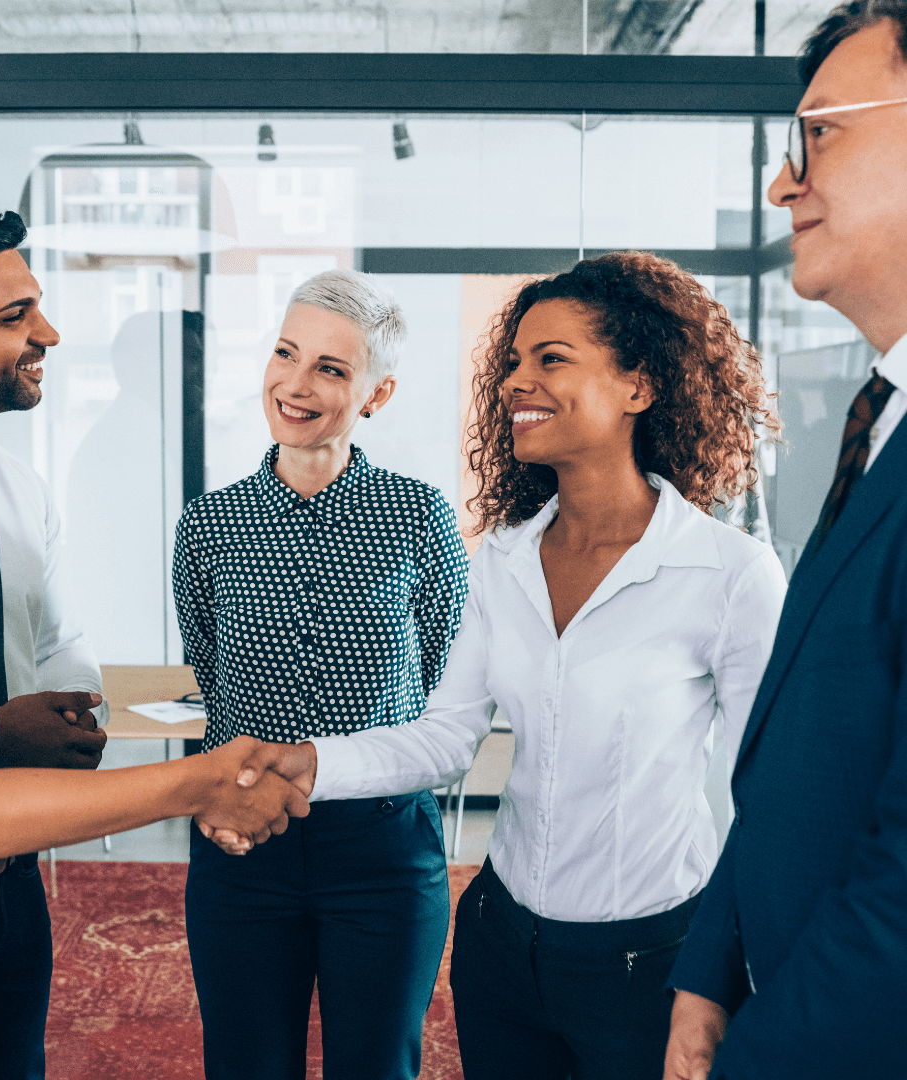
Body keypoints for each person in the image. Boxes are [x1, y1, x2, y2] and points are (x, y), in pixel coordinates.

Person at [234, 252, 787, 1080]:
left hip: (648, 963)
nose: (514, 382)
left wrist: (718, 980)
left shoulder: (730, 574)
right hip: (499, 945)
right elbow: (444, 739)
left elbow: (771, 802)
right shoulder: (503, 559)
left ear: (638, 385)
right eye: (514, 362)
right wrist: (307, 760)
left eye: (550, 359)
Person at [0, 132, 307, 1080]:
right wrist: (2, 733)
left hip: (11, 891)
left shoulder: (12, 479)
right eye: (17, 316)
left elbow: (55, 634)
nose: (48, 335)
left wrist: (83, 708)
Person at [660, 5, 907, 1078]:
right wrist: (712, 965)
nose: (783, 184)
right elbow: (806, 755)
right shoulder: (875, 418)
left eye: (820, 135)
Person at [173, 269, 470, 1080]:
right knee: (245, 1065)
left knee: (377, 1066)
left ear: (377, 393)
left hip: (380, 847)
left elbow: (446, 671)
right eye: (285, 354)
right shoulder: (209, 521)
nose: (295, 385)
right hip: (240, 844)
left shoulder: (419, 517)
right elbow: (210, 666)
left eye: (331, 369)